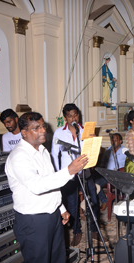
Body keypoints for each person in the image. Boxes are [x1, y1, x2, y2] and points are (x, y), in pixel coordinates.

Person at [5, 112, 88, 263]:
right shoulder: (18, 157)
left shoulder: (42, 151)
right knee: (39, 262)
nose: (43, 130)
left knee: (57, 259)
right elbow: (37, 185)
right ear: (24, 133)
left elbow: (51, 181)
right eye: (36, 128)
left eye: (43, 126)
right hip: (33, 220)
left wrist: (60, 207)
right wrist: (69, 170)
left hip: (52, 215)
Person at [51, 103, 101, 247]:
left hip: (85, 171)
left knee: (92, 201)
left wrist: (93, 139)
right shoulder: (59, 132)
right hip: (68, 174)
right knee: (72, 204)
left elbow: (93, 150)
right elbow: (55, 155)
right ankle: (76, 231)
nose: (73, 117)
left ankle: (93, 229)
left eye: (75, 114)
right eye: (70, 115)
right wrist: (58, 175)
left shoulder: (85, 130)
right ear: (65, 117)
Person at [96, 133, 126, 210]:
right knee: (95, 184)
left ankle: (122, 204)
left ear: (120, 141)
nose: (113, 142)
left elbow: (128, 166)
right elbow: (102, 164)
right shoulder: (107, 151)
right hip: (107, 176)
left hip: (119, 177)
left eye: (115, 140)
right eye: (112, 140)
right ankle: (104, 200)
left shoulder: (125, 151)